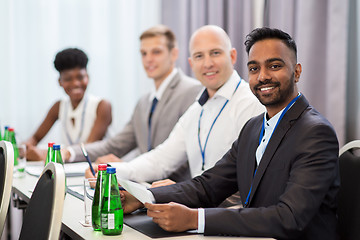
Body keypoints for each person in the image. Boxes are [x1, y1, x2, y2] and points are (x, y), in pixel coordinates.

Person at [122, 27, 340, 240]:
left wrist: (195, 219)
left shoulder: (315, 133)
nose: (263, 76)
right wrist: (144, 198)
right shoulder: (253, 128)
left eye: (274, 66)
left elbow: (289, 217)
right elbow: (207, 186)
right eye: (254, 69)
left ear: (297, 71)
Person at [93, 25, 264, 189]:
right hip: (199, 207)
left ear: (232, 56)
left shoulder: (250, 103)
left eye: (215, 53)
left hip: (230, 212)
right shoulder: (197, 110)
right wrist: (110, 170)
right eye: (199, 56)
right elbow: (161, 159)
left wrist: (183, 191)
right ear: (191, 63)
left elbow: (246, 177)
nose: (207, 63)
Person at [66, 25, 202, 181]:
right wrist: (69, 152)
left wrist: (126, 168)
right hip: (142, 189)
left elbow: (186, 157)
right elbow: (115, 145)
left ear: (174, 54)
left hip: (175, 194)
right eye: (144, 53)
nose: (148, 59)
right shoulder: (143, 103)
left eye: (156, 52)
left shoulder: (193, 91)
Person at [25, 48, 112, 161]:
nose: (75, 83)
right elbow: (35, 137)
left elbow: (88, 149)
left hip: (97, 170)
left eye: (80, 77)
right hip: (73, 169)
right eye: (68, 79)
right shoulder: (59, 106)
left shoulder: (102, 106)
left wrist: (45, 153)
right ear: (60, 82)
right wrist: (27, 147)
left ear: (88, 77)